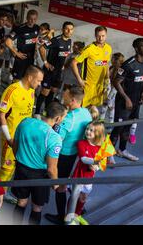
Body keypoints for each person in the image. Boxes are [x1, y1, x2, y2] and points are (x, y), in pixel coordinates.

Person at [11, 101, 67, 225]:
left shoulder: (25, 122)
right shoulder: (54, 138)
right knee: (37, 208)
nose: (63, 120)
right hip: (40, 176)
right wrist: (55, 184)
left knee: (21, 202)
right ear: (57, 118)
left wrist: (21, 159)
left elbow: (15, 145)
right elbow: (51, 169)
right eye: (63, 117)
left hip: (21, 168)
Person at [44, 86, 93, 225]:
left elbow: (56, 139)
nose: (62, 97)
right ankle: (76, 209)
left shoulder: (67, 120)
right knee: (72, 183)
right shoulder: (86, 112)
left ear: (72, 100)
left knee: (60, 186)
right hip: (76, 155)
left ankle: (61, 216)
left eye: (64, 96)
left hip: (63, 156)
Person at [0, 65, 43, 203]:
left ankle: (3, 191)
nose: (40, 84)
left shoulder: (31, 91)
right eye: (39, 81)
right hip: (11, 138)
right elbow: (1, 115)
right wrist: (9, 137)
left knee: (17, 166)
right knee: (6, 167)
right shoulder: (12, 91)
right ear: (30, 77)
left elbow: (29, 112)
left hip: (25, 137)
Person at [110, 38, 143, 161]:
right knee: (118, 127)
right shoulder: (128, 64)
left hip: (136, 102)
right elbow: (116, 82)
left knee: (128, 127)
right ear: (137, 49)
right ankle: (108, 153)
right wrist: (126, 99)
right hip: (124, 102)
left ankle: (122, 150)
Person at [35, 21, 74, 116]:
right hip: (50, 71)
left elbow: (65, 54)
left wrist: (64, 64)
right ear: (63, 29)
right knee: (45, 92)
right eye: (67, 29)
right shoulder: (56, 40)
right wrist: (46, 62)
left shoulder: (69, 41)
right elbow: (42, 48)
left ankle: (46, 111)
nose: (69, 31)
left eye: (71, 29)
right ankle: (37, 113)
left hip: (58, 72)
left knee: (53, 92)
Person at [70, 121, 106, 224]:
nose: (88, 132)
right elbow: (83, 159)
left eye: (91, 130)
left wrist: (97, 167)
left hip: (89, 177)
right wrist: (95, 162)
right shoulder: (81, 143)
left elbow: (103, 161)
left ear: (98, 133)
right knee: (74, 197)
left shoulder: (100, 147)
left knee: (83, 197)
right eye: (87, 129)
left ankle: (77, 215)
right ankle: (69, 217)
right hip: (78, 175)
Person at [71, 26, 112, 114]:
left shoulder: (108, 48)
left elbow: (106, 64)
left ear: (106, 35)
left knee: (93, 110)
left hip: (100, 85)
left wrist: (107, 79)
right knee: (80, 109)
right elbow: (73, 63)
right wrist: (79, 80)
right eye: (98, 36)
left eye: (103, 36)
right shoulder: (89, 49)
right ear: (95, 35)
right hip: (88, 85)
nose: (101, 38)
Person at [5, 9, 40, 80]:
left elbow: (37, 39)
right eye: (30, 19)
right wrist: (16, 53)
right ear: (27, 18)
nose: (32, 21)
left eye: (34, 19)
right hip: (21, 58)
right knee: (16, 80)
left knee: (27, 79)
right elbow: (7, 42)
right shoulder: (19, 28)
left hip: (31, 59)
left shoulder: (37, 28)